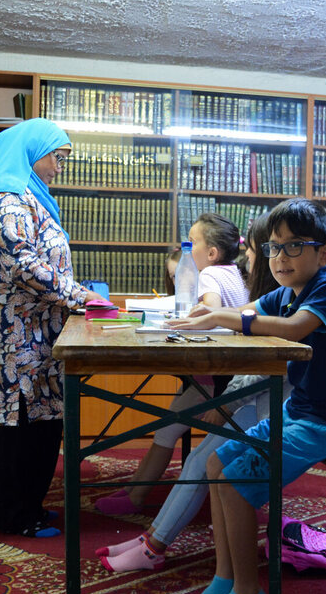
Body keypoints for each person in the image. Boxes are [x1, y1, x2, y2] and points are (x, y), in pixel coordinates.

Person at [166, 197, 326, 594]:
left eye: (293, 246)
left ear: (324, 253)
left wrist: (223, 319)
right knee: (217, 466)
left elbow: (296, 329)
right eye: (273, 247)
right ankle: (225, 578)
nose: (280, 256)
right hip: (301, 411)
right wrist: (212, 313)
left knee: (237, 481)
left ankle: (248, 591)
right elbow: (249, 310)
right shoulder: (286, 292)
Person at [96, 214, 290, 571]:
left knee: (200, 459)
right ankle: (151, 539)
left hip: (274, 403)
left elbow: (265, 364)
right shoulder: (267, 295)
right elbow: (243, 344)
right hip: (256, 395)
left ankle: (153, 543)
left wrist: (226, 401)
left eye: (253, 251)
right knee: (201, 458)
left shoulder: (265, 294)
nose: (246, 259)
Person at [0, 118, 104, 538]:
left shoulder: (29, 197)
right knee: (15, 421)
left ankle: (31, 507)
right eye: (55, 158)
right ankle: (14, 517)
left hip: (35, 327)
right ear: (29, 153)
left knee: (40, 419)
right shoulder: (4, 200)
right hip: (9, 330)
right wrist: (81, 296)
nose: (59, 168)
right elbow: (24, 265)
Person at [95, 213, 249, 515]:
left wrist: (182, 319)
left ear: (212, 253)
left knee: (165, 431)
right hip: (225, 375)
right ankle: (133, 489)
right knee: (167, 427)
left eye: (192, 243)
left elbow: (212, 310)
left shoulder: (209, 274)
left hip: (212, 380)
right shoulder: (233, 272)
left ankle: (136, 496)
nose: (187, 249)